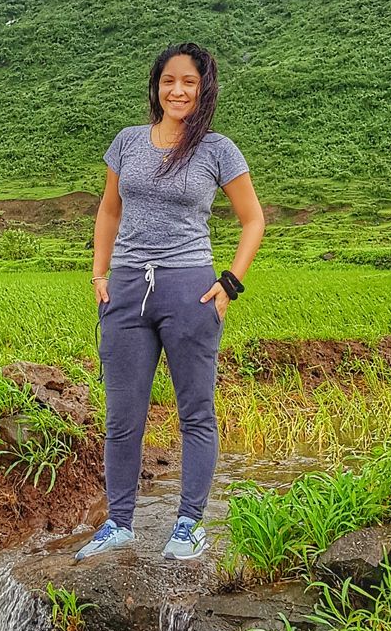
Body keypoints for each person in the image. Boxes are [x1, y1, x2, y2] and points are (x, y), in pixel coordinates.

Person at [75, 42, 265, 563]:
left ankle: (189, 523)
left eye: (189, 82)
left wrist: (230, 283)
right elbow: (109, 210)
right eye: (168, 81)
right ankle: (118, 523)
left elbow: (253, 219)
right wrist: (99, 273)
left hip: (189, 288)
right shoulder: (127, 142)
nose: (177, 90)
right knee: (123, 416)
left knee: (195, 412)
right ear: (156, 86)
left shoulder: (217, 150)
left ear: (204, 89)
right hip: (127, 289)